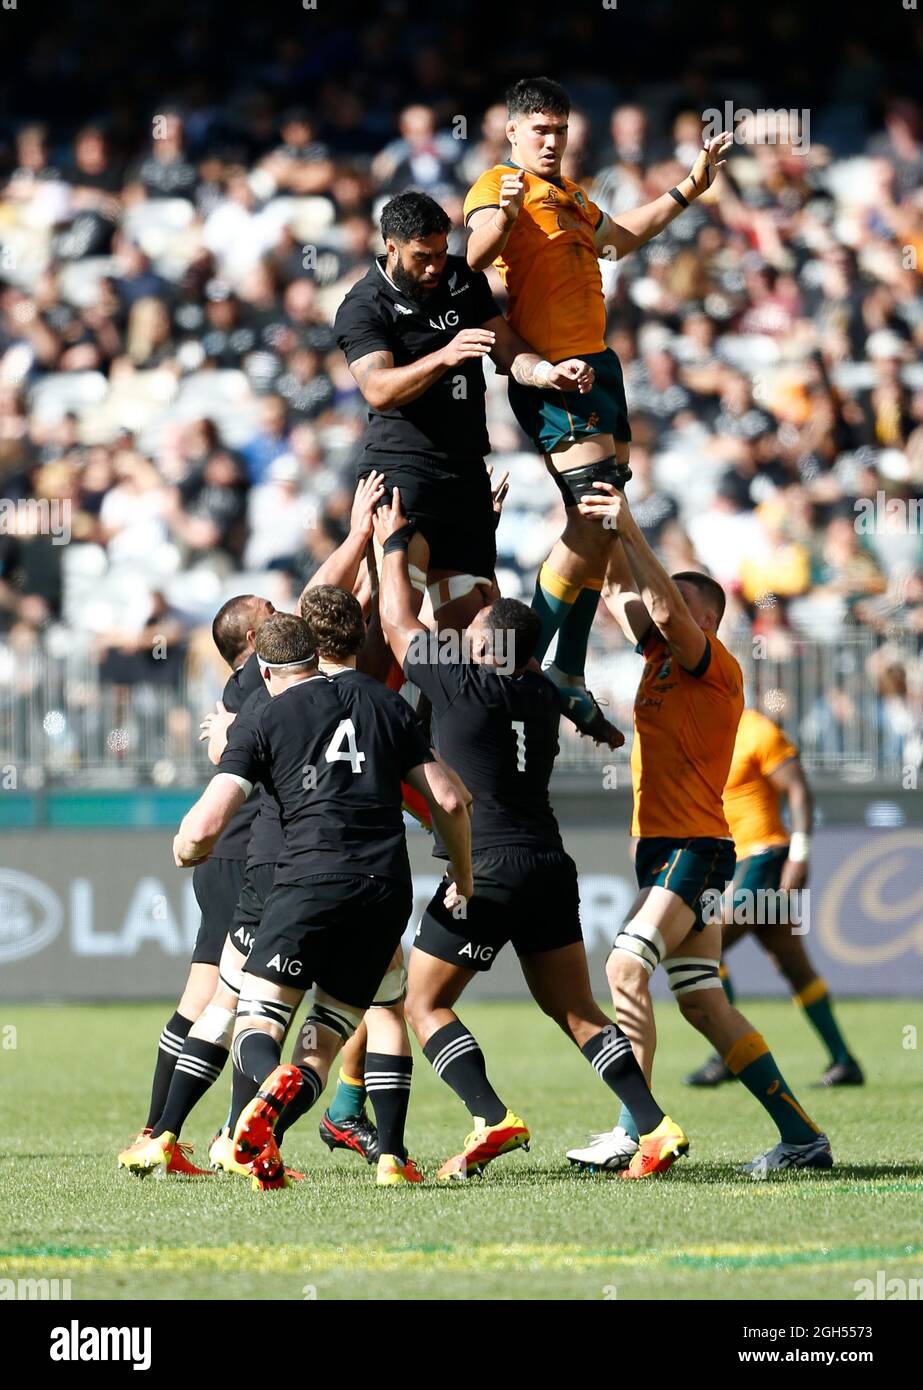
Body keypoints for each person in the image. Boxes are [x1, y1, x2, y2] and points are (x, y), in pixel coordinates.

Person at [374, 489, 688, 1181]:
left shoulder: (463, 684)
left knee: (423, 1004)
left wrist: (391, 543)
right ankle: (654, 1126)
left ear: (486, 644)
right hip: (548, 862)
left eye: (475, 632)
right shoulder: (542, 695)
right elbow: (570, 696)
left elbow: (397, 621)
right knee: (577, 1010)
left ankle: (491, 1115)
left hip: (485, 864)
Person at [565, 484, 832, 1174]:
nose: (656, 620)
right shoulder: (658, 659)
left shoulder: (713, 665)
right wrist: (598, 525)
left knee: (624, 967)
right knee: (704, 1003)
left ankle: (636, 1130)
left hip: (694, 849)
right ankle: (801, 1137)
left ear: (698, 617)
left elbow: (655, 601)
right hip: (669, 850)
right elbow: (621, 597)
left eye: (673, 611)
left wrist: (631, 529)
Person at [464, 76, 730, 732]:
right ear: (513, 132)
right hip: (556, 374)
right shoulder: (498, 187)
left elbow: (620, 240)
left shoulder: (571, 197)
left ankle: (567, 668)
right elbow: (471, 260)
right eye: (540, 131)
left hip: (601, 368)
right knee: (594, 516)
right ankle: (523, 661)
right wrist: (499, 214)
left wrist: (688, 187)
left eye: (559, 131)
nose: (551, 142)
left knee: (602, 526)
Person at [177, 612, 471, 1189]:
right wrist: (464, 874)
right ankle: (362, 1145)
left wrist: (187, 846)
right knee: (330, 1037)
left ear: (265, 669)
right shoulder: (389, 706)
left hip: (308, 883)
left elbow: (207, 822)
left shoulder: (266, 715)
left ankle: (267, 1085)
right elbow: (450, 800)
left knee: (255, 1025)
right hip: (385, 891)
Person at [334, 192, 620, 754]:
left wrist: (547, 375)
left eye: (442, 252)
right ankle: (354, 744)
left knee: (475, 637)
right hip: (403, 473)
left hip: (465, 476)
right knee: (395, 620)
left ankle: (449, 757)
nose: (437, 265)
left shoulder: (462, 279)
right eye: (423, 256)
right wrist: (445, 354)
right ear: (391, 248)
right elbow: (377, 389)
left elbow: (509, 347)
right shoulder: (363, 305)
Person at [117, 593, 272, 1177]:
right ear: (254, 643)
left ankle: (157, 1133)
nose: (283, 614)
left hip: (227, 859)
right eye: (269, 611)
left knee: (204, 997)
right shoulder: (259, 678)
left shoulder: (243, 688)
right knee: (244, 1003)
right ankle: (227, 1138)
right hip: (242, 858)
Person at [685, 708, 864, 1089]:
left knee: (704, 945)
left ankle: (727, 1054)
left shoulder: (756, 729)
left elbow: (798, 788)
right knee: (792, 964)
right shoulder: (702, 733)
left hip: (765, 859)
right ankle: (844, 1060)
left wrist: (800, 853)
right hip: (738, 860)